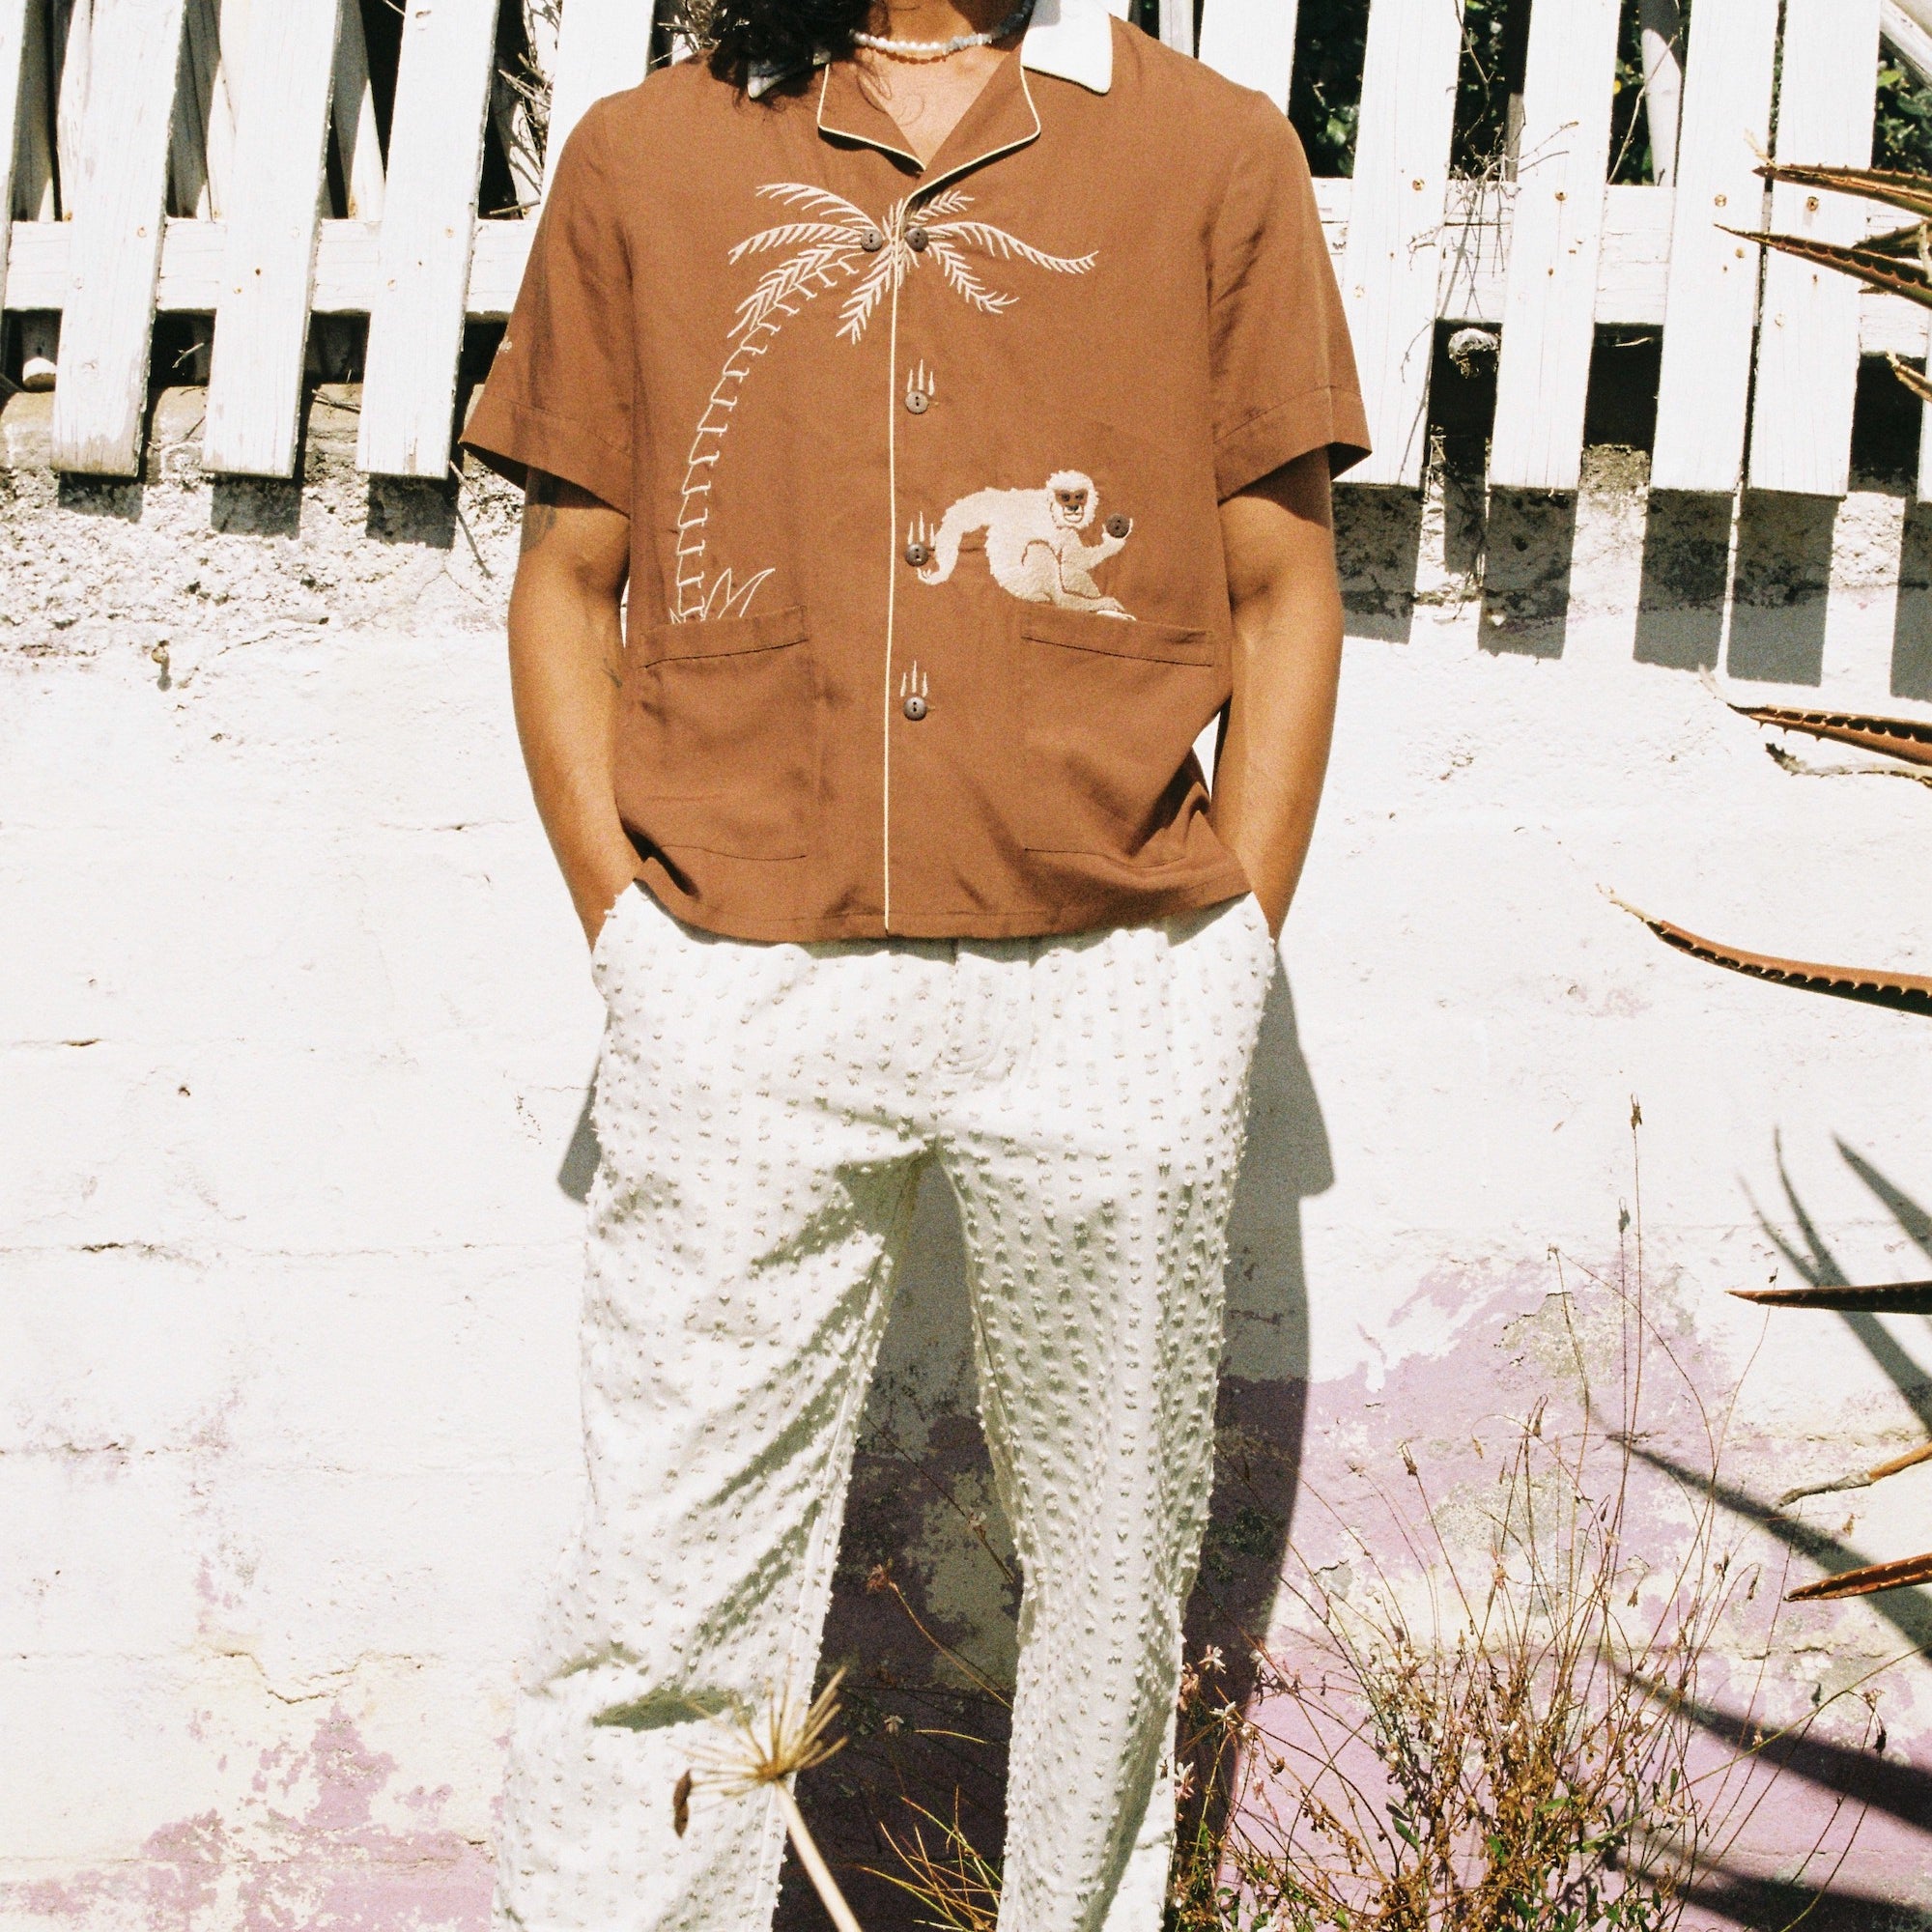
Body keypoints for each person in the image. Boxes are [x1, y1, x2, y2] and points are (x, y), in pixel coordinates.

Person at [460, 0, 1367, 1922]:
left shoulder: (1210, 153)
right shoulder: (650, 156)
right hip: (737, 970)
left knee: (1109, 1585)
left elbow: (1286, 587)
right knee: (661, 1583)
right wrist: (630, 936)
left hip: (1115, 978)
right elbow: (562, 578)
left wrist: (1225, 955)